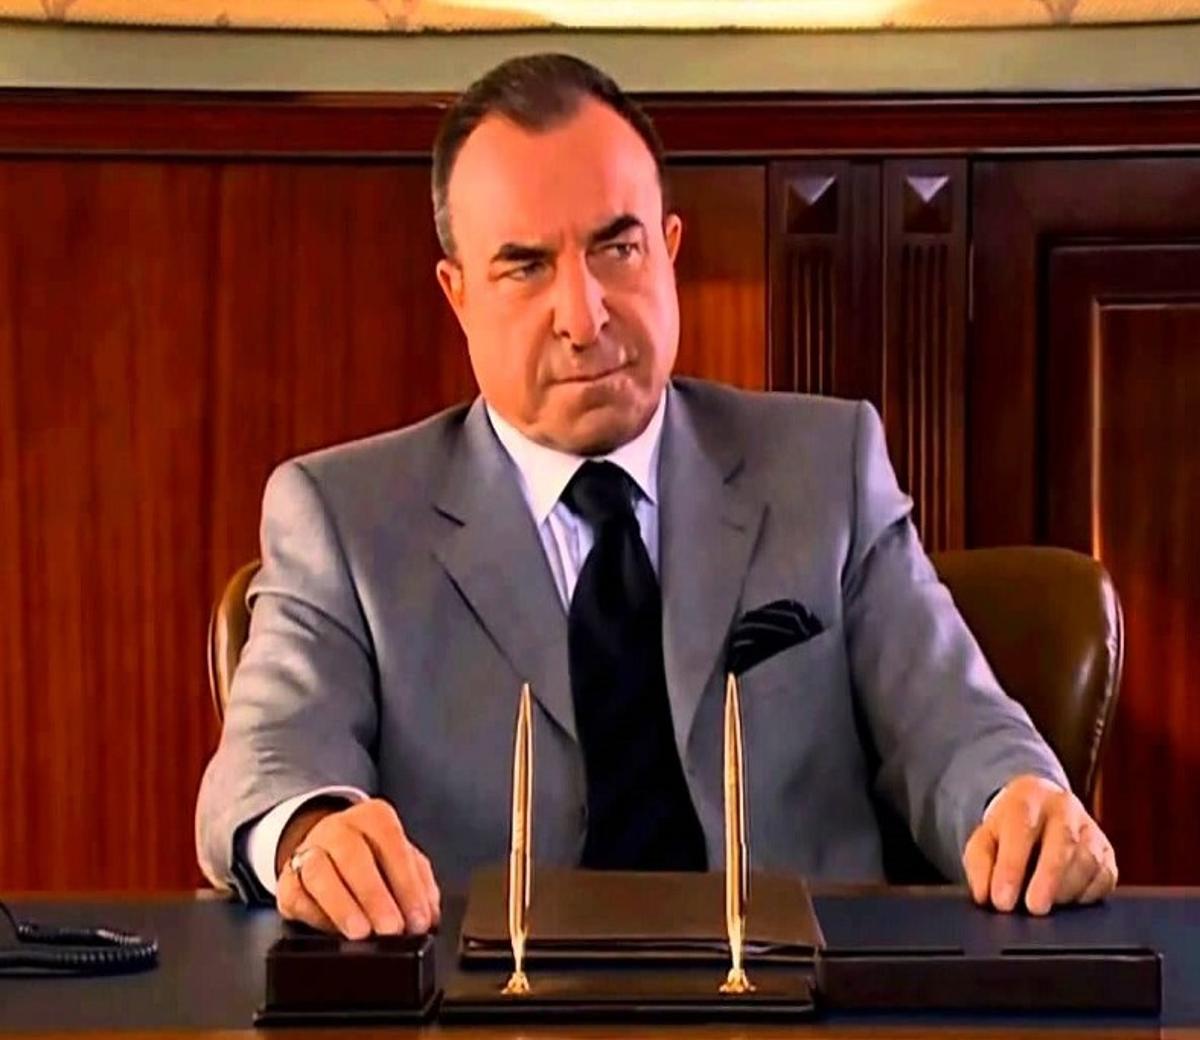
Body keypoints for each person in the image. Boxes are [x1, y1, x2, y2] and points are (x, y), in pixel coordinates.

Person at [195, 53, 1117, 941]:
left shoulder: (825, 468)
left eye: (617, 247)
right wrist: (311, 832)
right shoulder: (345, 518)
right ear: (458, 294)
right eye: (525, 265)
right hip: (484, 1003)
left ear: (669, 250)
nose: (583, 315)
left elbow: (955, 725)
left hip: (797, 998)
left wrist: (1018, 800)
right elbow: (267, 768)